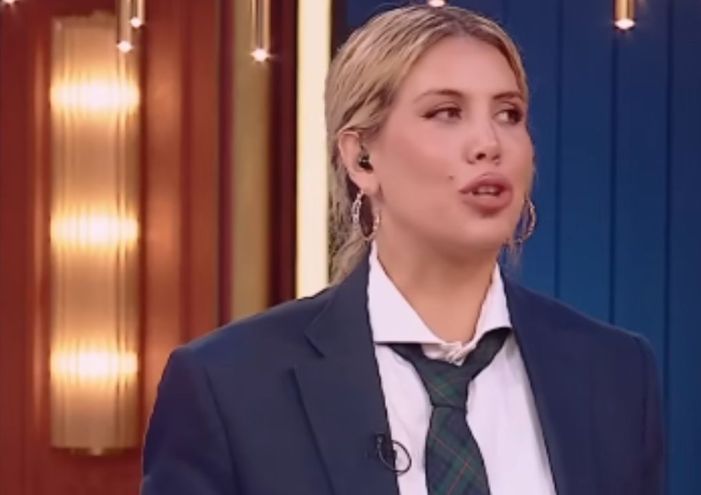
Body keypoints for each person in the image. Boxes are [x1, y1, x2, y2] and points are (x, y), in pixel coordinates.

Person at [141, 5, 664, 495]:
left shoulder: (614, 373)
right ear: (361, 159)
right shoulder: (229, 385)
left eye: (508, 114)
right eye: (446, 112)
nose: (489, 143)